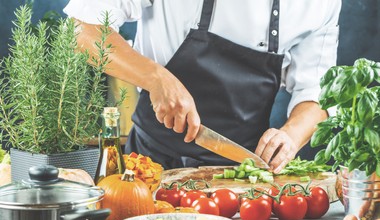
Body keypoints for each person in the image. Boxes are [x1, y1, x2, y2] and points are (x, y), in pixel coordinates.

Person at [63, 0, 341, 172]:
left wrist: (291, 136)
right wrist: (156, 78)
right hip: (150, 164)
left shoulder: (320, 3)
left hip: (241, 176)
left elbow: (318, 93)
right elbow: (82, 29)